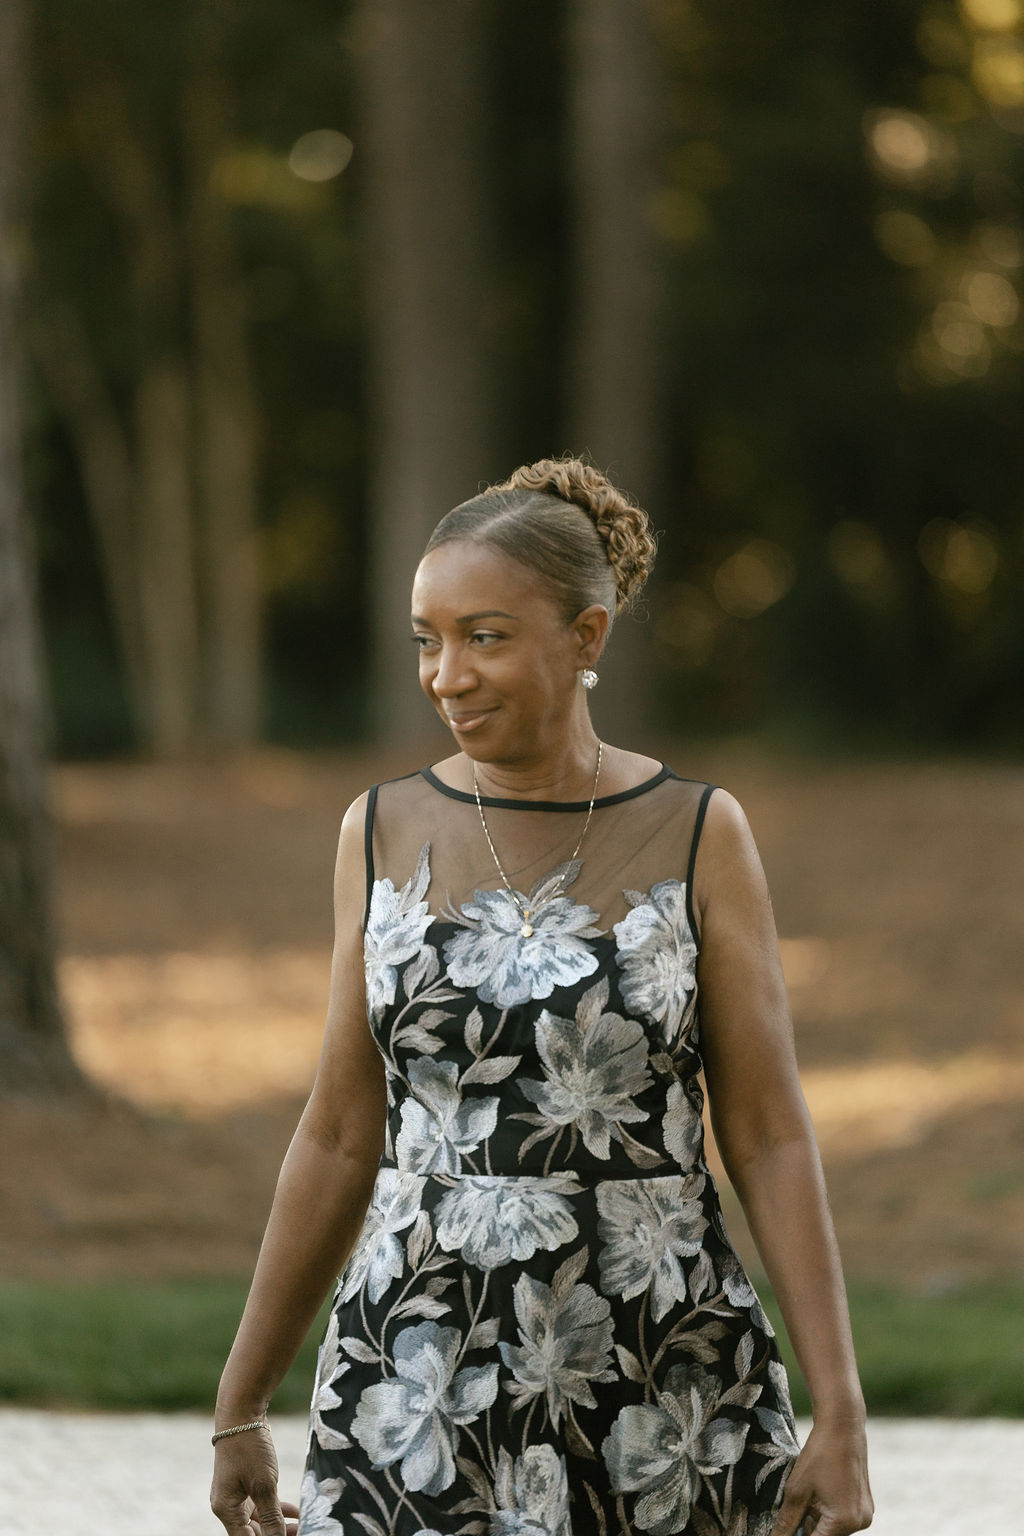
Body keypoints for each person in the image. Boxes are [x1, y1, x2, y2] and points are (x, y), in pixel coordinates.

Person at [211, 457, 873, 1536]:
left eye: (484, 636)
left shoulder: (701, 833)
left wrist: (839, 1409)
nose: (447, 676)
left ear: (586, 636)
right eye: (427, 639)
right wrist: (239, 1406)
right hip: (420, 1373)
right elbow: (337, 1134)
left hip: (661, 1372)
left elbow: (766, 1134)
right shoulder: (377, 833)